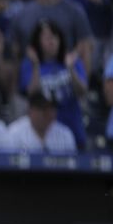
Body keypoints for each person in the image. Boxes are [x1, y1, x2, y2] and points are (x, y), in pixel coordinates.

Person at [20, 18, 89, 149]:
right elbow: (31, 95)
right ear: (38, 41)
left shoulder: (73, 61)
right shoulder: (29, 64)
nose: (52, 41)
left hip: (72, 126)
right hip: (43, 129)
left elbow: (82, 92)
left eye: (54, 37)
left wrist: (70, 69)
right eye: (47, 38)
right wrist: (36, 65)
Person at [7, 91, 78, 153]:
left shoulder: (65, 134)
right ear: (30, 110)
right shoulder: (14, 132)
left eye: (52, 108)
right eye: (43, 108)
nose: (48, 113)